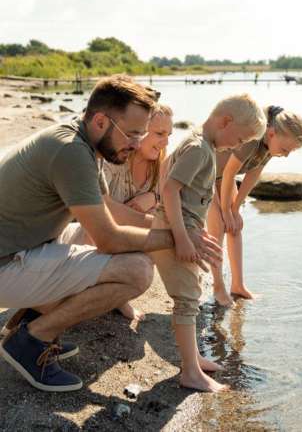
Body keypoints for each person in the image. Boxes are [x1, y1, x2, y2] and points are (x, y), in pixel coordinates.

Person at [0, 75, 221, 392]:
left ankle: (26, 320)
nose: (136, 143)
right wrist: (180, 239)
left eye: (141, 134)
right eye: (132, 133)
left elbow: (110, 210)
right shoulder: (71, 152)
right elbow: (110, 239)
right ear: (101, 120)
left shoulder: (81, 139)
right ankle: (32, 339)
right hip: (6, 263)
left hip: (21, 246)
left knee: (115, 242)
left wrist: (176, 228)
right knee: (137, 272)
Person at [149, 93, 266, 392]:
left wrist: (193, 230)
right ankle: (190, 372)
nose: (239, 147)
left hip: (184, 228)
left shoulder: (199, 144)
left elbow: (169, 178)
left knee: (192, 291)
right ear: (225, 121)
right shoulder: (200, 150)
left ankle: (195, 358)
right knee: (188, 299)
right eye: (239, 139)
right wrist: (182, 237)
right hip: (178, 232)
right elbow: (170, 189)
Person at [208, 105, 302, 306]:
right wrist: (225, 210)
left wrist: (235, 209)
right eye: (286, 149)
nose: (286, 155)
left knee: (235, 227)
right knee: (218, 226)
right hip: (206, 173)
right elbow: (229, 173)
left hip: (221, 177)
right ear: (271, 133)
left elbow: (252, 175)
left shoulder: (269, 148)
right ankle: (218, 288)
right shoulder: (253, 139)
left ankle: (238, 285)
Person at [104, 103, 173, 321]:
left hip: (125, 239)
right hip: (94, 235)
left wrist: (152, 197)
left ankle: (186, 299)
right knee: (161, 227)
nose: (166, 141)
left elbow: (170, 198)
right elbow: (100, 207)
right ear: (139, 130)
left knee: (164, 213)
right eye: (160, 133)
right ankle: (117, 298)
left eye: (169, 134)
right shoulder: (113, 160)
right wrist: (155, 223)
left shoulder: (159, 165)